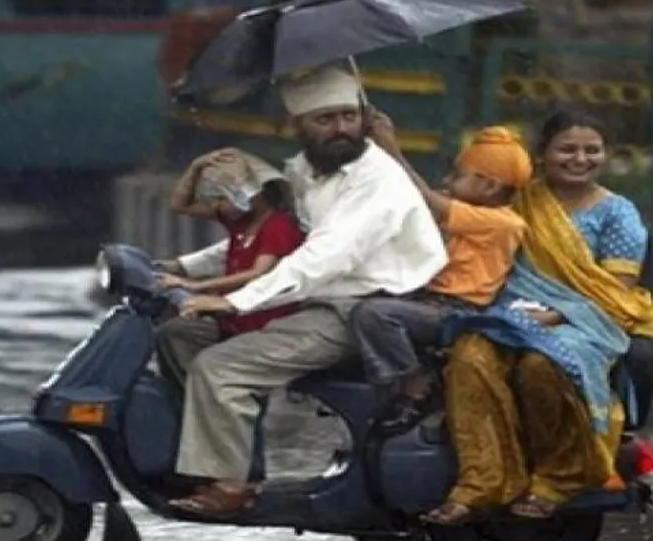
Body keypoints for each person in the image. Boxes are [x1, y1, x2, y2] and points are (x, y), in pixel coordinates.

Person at [158, 63, 449, 517]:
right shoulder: (303, 174)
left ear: (363, 116)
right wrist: (181, 268)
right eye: (325, 119)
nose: (340, 129)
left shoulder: (378, 181)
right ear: (298, 125)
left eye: (348, 117)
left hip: (361, 310)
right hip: (312, 301)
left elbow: (328, 255)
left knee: (220, 366)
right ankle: (227, 461)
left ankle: (231, 486)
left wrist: (235, 299)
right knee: (181, 335)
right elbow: (268, 235)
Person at [425, 109, 653, 525]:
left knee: (541, 366)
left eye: (592, 150)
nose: (580, 159)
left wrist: (556, 315)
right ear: (542, 155)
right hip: (508, 313)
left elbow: (613, 292)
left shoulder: (618, 213)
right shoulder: (519, 200)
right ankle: (481, 483)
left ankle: (557, 480)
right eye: (567, 149)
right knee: (470, 356)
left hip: (589, 321)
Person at [351, 119, 531, 435]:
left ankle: (413, 385)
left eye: (458, 176)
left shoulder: (502, 223)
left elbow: (425, 200)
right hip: (428, 302)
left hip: (456, 311)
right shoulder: (469, 212)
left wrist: (390, 147)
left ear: (489, 186)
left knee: (374, 315)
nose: (449, 181)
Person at [153, 149, 305, 389]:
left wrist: (193, 285)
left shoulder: (278, 225)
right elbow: (179, 205)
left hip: (261, 322)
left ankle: (200, 398)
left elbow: (258, 272)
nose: (218, 206)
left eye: (223, 198)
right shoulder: (240, 222)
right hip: (232, 319)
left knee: (191, 345)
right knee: (173, 332)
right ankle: (183, 398)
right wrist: (196, 166)